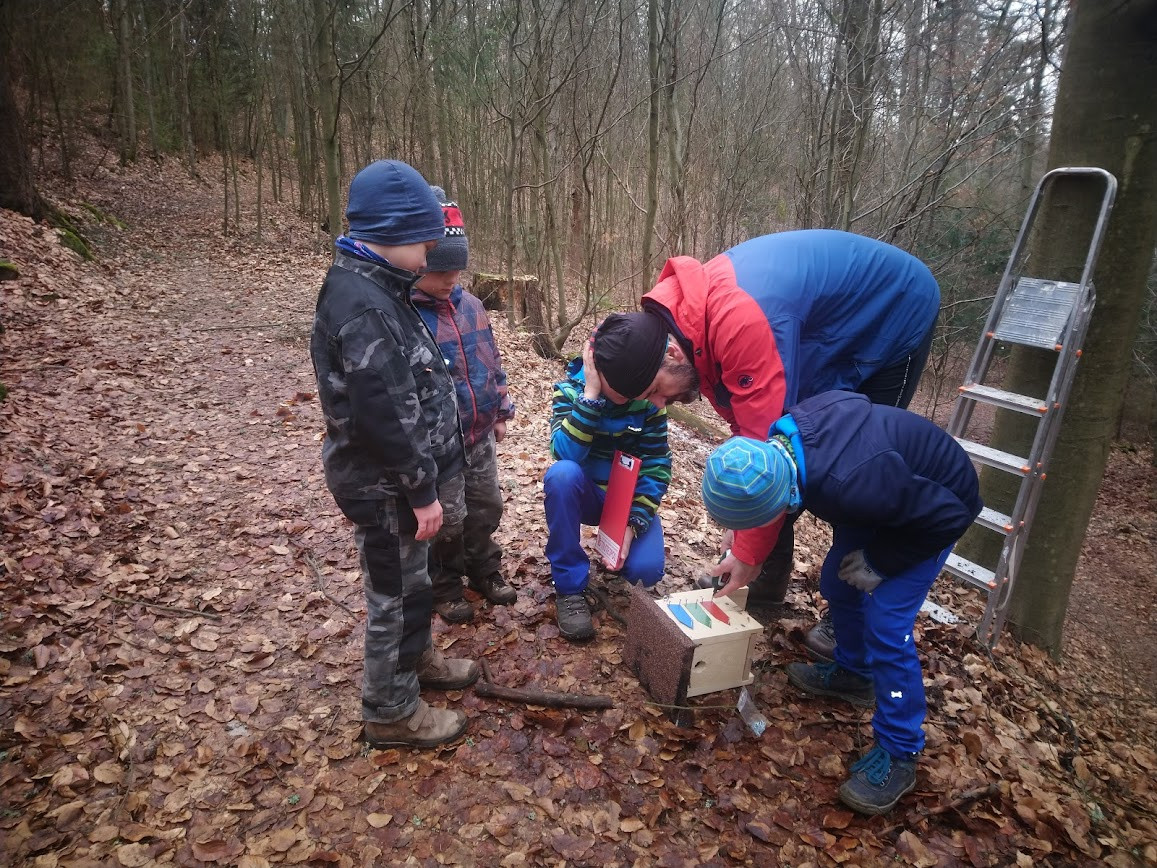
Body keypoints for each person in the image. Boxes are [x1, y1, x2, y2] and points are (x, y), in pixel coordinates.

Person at [593, 229, 941, 660]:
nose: (661, 404)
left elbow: (767, 447)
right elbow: (750, 431)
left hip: (892, 313)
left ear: (673, 356)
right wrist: (740, 531)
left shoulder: (739, 321)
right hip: (820, 329)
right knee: (788, 449)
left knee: (857, 460)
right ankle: (765, 581)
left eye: (656, 391)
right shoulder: (691, 325)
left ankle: (853, 613)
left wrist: (747, 547)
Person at [700, 390, 982, 815]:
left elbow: (950, 516)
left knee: (887, 623)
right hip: (886, 499)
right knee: (838, 581)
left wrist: (882, 561)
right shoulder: (785, 446)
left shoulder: (853, 483)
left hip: (937, 508)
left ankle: (900, 752)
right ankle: (855, 674)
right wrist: (743, 544)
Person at [310, 159, 479, 749]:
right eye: (424, 241)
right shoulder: (364, 306)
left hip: (400, 484)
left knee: (414, 583)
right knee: (393, 593)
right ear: (394, 233)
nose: (431, 254)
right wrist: (423, 490)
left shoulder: (381, 288)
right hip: (385, 487)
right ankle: (389, 711)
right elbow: (386, 413)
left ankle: (419, 660)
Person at [412, 186, 517, 624]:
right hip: (442, 445)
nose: (451, 277)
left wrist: (502, 407)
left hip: (479, 433)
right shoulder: (408, 316)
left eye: (457, 268)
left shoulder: (472, 305)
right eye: (440, 270)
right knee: (448, 519)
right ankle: (447, 584)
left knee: (487, 504)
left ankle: (484, 567)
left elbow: (491, 360)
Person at [545, 315, 672, 641]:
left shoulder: (647, 402)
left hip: (625, 502)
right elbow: (565, 454)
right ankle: (569, 585)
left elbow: (657, 465)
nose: (631, 393)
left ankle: (619, 547)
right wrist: (590, 396)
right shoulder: (569, 393)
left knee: (645, 572)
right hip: (585, 494)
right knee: (561, 475)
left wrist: (632, 525)